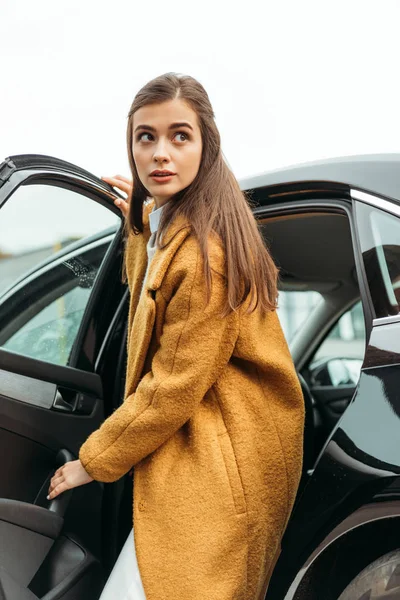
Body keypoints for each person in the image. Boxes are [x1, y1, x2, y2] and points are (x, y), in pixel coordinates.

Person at [48, 73, 305, 600]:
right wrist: (139, 226)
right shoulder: (181, 231)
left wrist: (90, 463)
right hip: (217, 460)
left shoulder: (206, 251)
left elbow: (172, 386)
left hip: (220, 470)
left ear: (206, 144)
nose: (160, 153)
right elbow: (151, 290)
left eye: (179, 136)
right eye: (146, 137)